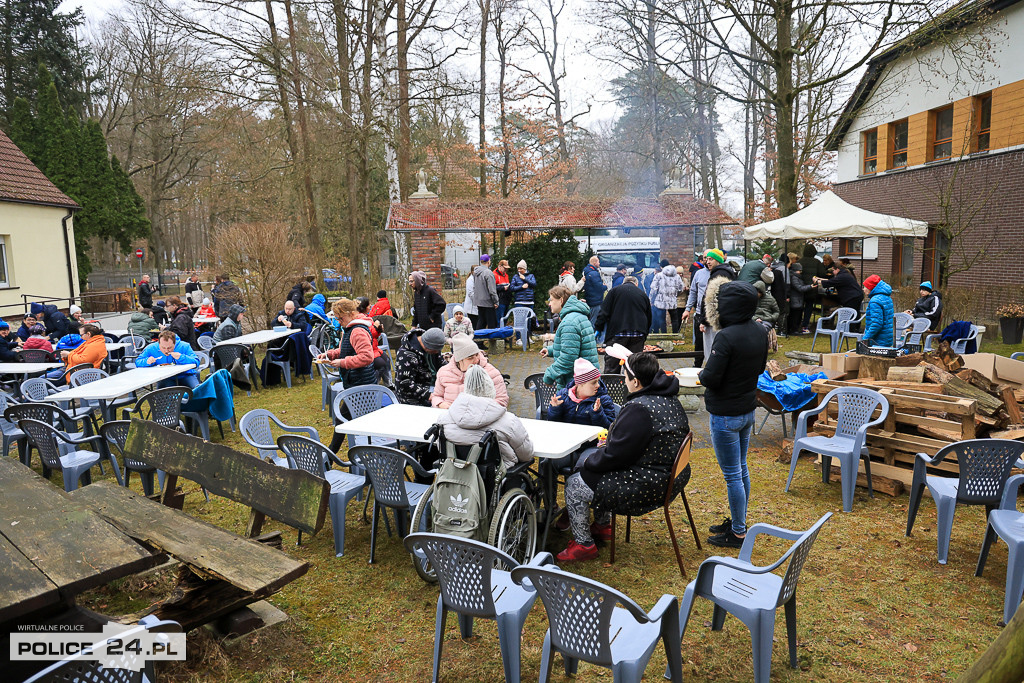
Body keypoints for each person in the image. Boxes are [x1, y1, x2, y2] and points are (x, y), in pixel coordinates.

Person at [557, 351, 689, 562]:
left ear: (635, 381)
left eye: (625, 376)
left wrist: (590, 462)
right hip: (670, 476)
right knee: (592, 469)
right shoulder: (668, 398)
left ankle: (584, 545)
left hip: (648, 484)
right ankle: (602, 526)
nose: (624, 381)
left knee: (575, 482)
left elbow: (616, 456)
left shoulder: (639, 408)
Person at [700, 281, 767, 548]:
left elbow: (711, 377)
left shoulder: (726, 336)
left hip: (726, 414)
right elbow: (760, 368)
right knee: (740, 469)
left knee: (732, 475)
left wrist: (702, 374)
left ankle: (738, 532)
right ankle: (739, 522)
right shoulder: (759, 330)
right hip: (747, 409)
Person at [435, 364, 534, 470]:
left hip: (455, 477)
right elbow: (526, 455)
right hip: (496, 480)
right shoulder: (509, 422)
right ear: (491, 389)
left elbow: (440, 448)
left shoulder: (444, 420)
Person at [540, 285, 600, 387]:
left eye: (551, 300)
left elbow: (568, 359)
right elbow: (575, 348)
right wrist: (551, 350)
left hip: (576, 384)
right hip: (586, 380)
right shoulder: (578, 316)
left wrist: (549, 375)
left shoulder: (569, 322)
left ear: (561, 300)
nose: (549, 304)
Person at [431, 334, 509, 409]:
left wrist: (482, 409)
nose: (476, 360)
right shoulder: (444, 372)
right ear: (459, 360)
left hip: (481, 418)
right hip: (451, 417)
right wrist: (441, 404)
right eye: (470, 358)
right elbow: (436, 396)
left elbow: (502, 400)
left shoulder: (491, 372)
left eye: (477, 354)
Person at [595, 276, 651, 374]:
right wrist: (645, 334)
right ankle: (633, 387)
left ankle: (612, 386)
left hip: (617, 335)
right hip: (637, 336)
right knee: (633, 368)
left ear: (623, 283)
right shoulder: (642, 294)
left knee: (612, 367)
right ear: (636, 284)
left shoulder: (614, 291)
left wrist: (598, 328)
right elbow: (649, 317)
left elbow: (604, 312)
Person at [319, 299, 376, 387]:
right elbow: (346, 350)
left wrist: (342, 363)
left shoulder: (357, 332)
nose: (339, 321)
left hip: (362, 383)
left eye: (341, 318)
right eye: (337, 318)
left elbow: (367, 357)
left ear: (352, 314)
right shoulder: (348, 329)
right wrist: (330, 354)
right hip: (354, 380)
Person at [547, 358, 616, 429]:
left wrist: (597, 413)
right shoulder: (563, 395)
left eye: (598, 381)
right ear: (580, 384)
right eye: (593, 383)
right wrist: (555, 409)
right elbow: (552, 424)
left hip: (591, 439)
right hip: (567, 437)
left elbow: (609, 428)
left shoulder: (603, 400)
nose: (598, 385)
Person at [395, 327, 446, 406]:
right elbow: (404, 384)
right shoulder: (406, 356)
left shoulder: (433, 347)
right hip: (413, 397)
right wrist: (429, 395)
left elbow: (441, 365)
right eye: (435, 351)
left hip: (433, 387)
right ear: (427, 346)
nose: (437, 352)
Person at [135, 330, 200, 390]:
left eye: (169, 348)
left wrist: (181, 357)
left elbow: (196, 362)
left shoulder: (184, 346)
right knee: (163, 394)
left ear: (174, 344)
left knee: (197, 391)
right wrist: (147, 361)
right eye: (163, 348)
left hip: (186, 375)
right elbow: (138, 362)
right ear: (159, 343)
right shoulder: (151, 348)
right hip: (165, 378)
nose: (166, 350)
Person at [861, 274, 895, 347]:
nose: (863, 289)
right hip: (887, 337)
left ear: (871, 288)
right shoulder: (886, 297)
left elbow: (876, 324)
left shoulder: (875, 301)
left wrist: (865, 338)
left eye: (865, 287)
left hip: (878, 340)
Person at [649, 264, 684, 334]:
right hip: (672, 301)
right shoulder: (677, 277)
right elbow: (681, 288)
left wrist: (651, 300)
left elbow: (653, 289)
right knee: (674, 319)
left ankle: (663, 334)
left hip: (660, 301)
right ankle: (675, 334)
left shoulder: (659, 276)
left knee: (662, 320)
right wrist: (674, 295)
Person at [798, 244, 826, 330]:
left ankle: (797, 323)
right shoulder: (816, 262)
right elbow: (822, 274)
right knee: (809, 307)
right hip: (812, 288)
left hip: (800, 287)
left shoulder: (800, 261)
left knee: (799, 307)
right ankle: (805, 325)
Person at [472, 254, 499, 329]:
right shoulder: (488, 273)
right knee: (492, 324)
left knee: (481, 322)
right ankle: (492, 340)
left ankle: (478, 340)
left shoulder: (475, 273)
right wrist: (496, 301)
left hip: (479, 301)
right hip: (488, 302)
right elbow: (492, 290)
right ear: (488, 261)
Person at [786, 263, 814, 335]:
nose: (800, 272)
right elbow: (799, 288)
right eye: (799, 270)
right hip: (796, 300)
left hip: (797, 299)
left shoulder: (794, 277)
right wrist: (810, 287)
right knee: (795, 316)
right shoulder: (795, 278)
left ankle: (793, 329)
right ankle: (793, 330)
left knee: (795, 315)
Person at [581, 255, 607, 330]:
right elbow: (599, 287)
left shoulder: (586, 271)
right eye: (598, 261)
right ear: (595, 262)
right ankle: (592, 339)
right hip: (595, 301)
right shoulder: (594, 273)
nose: (599, 263)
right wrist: (605, 287)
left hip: (590, 299)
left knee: (591, 320)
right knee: (594, 322)